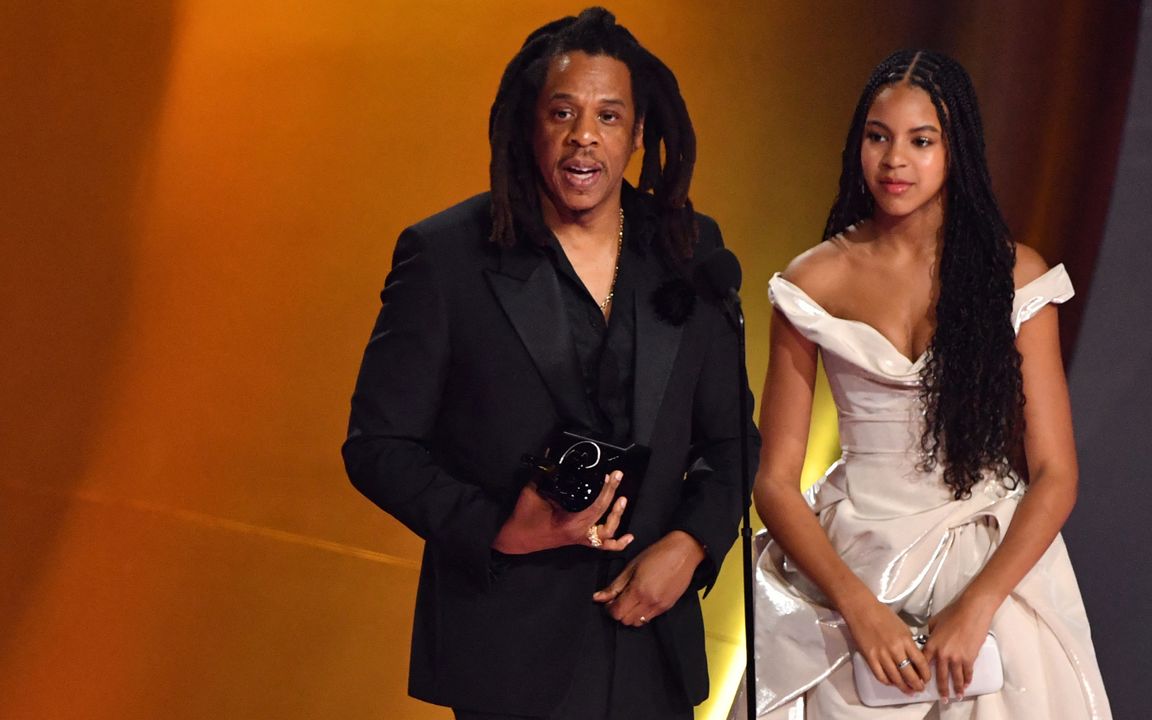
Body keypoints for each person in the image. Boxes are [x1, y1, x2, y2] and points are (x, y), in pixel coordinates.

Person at [341, 7, 757, 720]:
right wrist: (501, 526)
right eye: (562, 112)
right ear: (528, 124)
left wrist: (690, 545)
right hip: (509, 651)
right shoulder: (447, 257)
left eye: (608, 115)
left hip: (649, 641)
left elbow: (732, 441)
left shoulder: (687, 247)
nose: (584, 136)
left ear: (636, 133)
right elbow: (377, 447)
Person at [743, 50, 1111, 718]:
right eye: (878, 137)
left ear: (956, 150)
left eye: (921, 141)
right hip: (851, 563)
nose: (894, 161)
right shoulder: (811, 282)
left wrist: (978, 606)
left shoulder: (1015, 277)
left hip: (987, 562)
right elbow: (774, 481)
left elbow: (1056, 473)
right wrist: (859, 607)